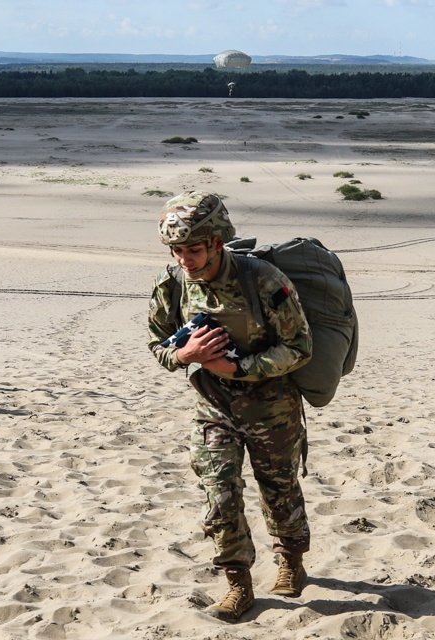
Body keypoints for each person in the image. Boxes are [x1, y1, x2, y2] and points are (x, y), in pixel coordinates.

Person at [147, 190, 313, 622]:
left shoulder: (264, 281)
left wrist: (237, 368)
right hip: (212, 410)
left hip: (271, 409)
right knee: (219, 495)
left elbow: (299, 347)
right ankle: (238, 583)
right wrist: (183, 357)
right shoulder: (173, 285)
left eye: (194, 249)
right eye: (177, 250)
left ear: (218, 242)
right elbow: (158, 345)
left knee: (279, 492)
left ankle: (291, 561)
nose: (185, 259)